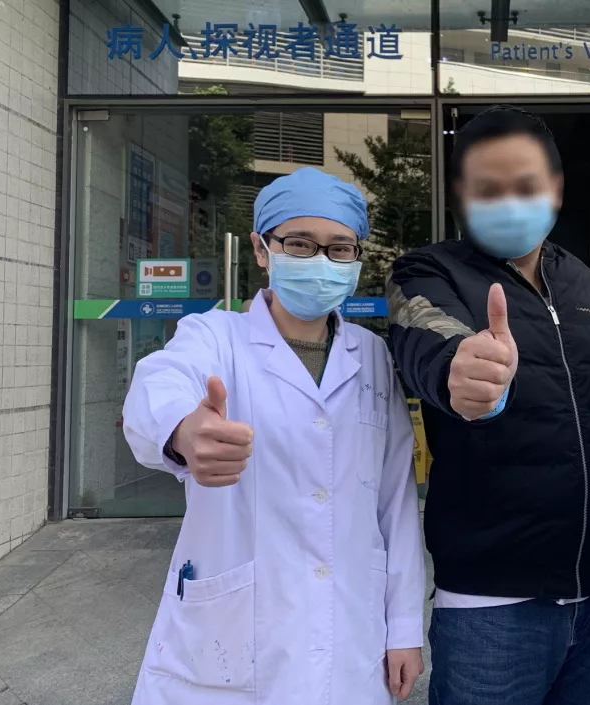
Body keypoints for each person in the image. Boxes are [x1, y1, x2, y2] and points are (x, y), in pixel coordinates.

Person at [122, 167, 426, 705]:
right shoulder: (214, 336)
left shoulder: (373, 355)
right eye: (300, 244)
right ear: (262, 250)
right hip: (234, 633)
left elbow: (395, 500)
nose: (321, 261)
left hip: (352, 630)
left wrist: (403, 626)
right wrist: (183, 430)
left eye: (340, 248)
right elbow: (158, 383)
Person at [387, 106, 590, 705]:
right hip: (491, 603)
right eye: (488, 189)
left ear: (556, 189)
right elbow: (430, 345)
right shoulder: (426, 272)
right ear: (461, 195)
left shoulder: (584, 282)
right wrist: (463, 375)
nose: (509, 202)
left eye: (525, 186)